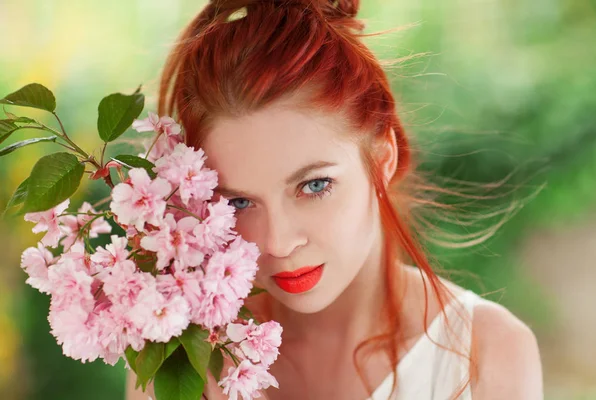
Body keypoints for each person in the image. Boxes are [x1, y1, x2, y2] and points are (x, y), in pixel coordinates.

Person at [126, 0, 543, 398]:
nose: (279, 243)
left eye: (313, 186)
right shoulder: (180, 347)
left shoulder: (486, 355)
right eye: (238, 203)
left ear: (382, 158)